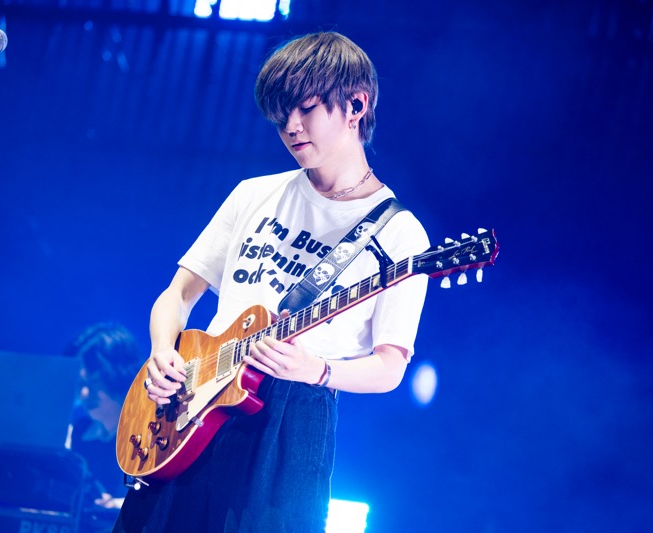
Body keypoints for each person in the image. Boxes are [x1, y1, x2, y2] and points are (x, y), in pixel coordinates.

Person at [113, 31, 430, 532]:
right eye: (280, 116)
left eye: (305, 109)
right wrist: (161, 352)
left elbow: (391, 367)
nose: (291, 127)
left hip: (292, 418)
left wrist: (318, 370)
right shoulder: (253, 194)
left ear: (356, 105)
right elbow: (178, 293)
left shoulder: (400, 233)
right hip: (193, 398)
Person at [66, 322, 143, 513]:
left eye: (93, 382)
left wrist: (116, 505)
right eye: (79, 384)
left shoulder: (152, 431)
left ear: (118, 375)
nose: (83, 394)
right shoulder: (79, 432)